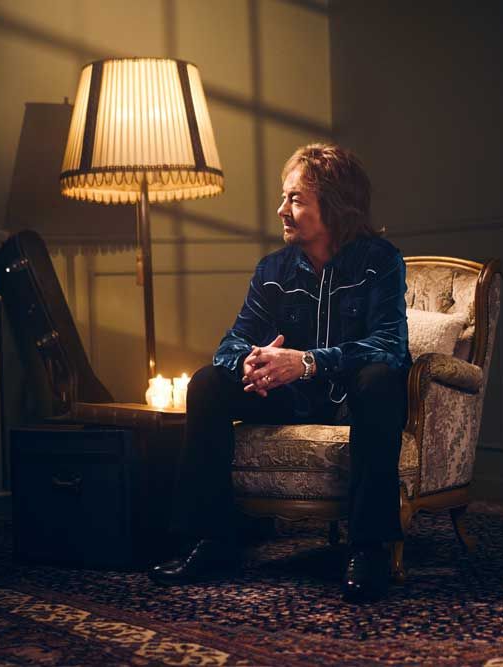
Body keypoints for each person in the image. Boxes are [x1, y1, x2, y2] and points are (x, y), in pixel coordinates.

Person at [149, 143, 412, 603]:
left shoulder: (380, 260)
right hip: (291, 401)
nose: (281, 210)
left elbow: (390, 345)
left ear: (334, 205)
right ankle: (210, 540)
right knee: (208, 382)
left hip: (352, 401)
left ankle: (369, 548)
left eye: (294, 199)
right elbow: (231, 343)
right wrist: (248, 361)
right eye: (283, 197)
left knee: (380, 380)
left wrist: (307, 361)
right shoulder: (273, 268)